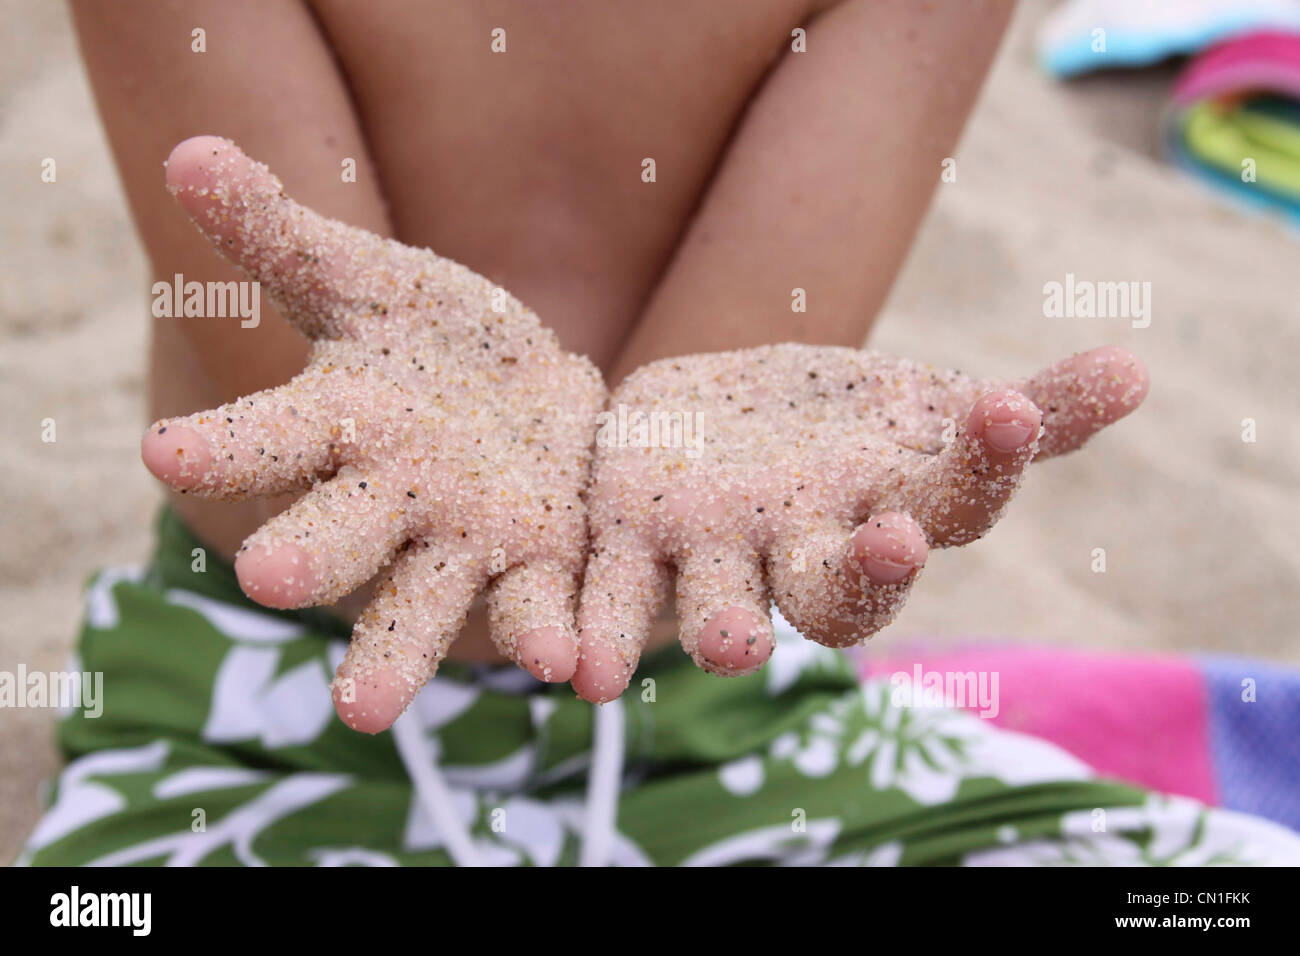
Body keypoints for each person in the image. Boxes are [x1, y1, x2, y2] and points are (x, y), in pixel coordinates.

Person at [20, 0, 1299, 866]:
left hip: (713, 704)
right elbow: (343, 471)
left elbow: (692, 456)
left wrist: (663, 487)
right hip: (245, 698)